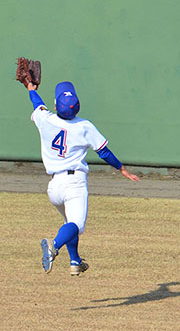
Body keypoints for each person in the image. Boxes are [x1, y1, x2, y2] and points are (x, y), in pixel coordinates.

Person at [25, 79, 139, 276]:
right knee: (76, 225)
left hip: (54, 187)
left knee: (70, 223)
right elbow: (104, 152)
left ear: (55, 105)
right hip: (74, 184)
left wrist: (30, 89)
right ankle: (54, 246)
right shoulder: (84, 126)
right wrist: (122, 169)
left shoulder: (46, 119)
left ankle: (75, 261)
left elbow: (37, 105)